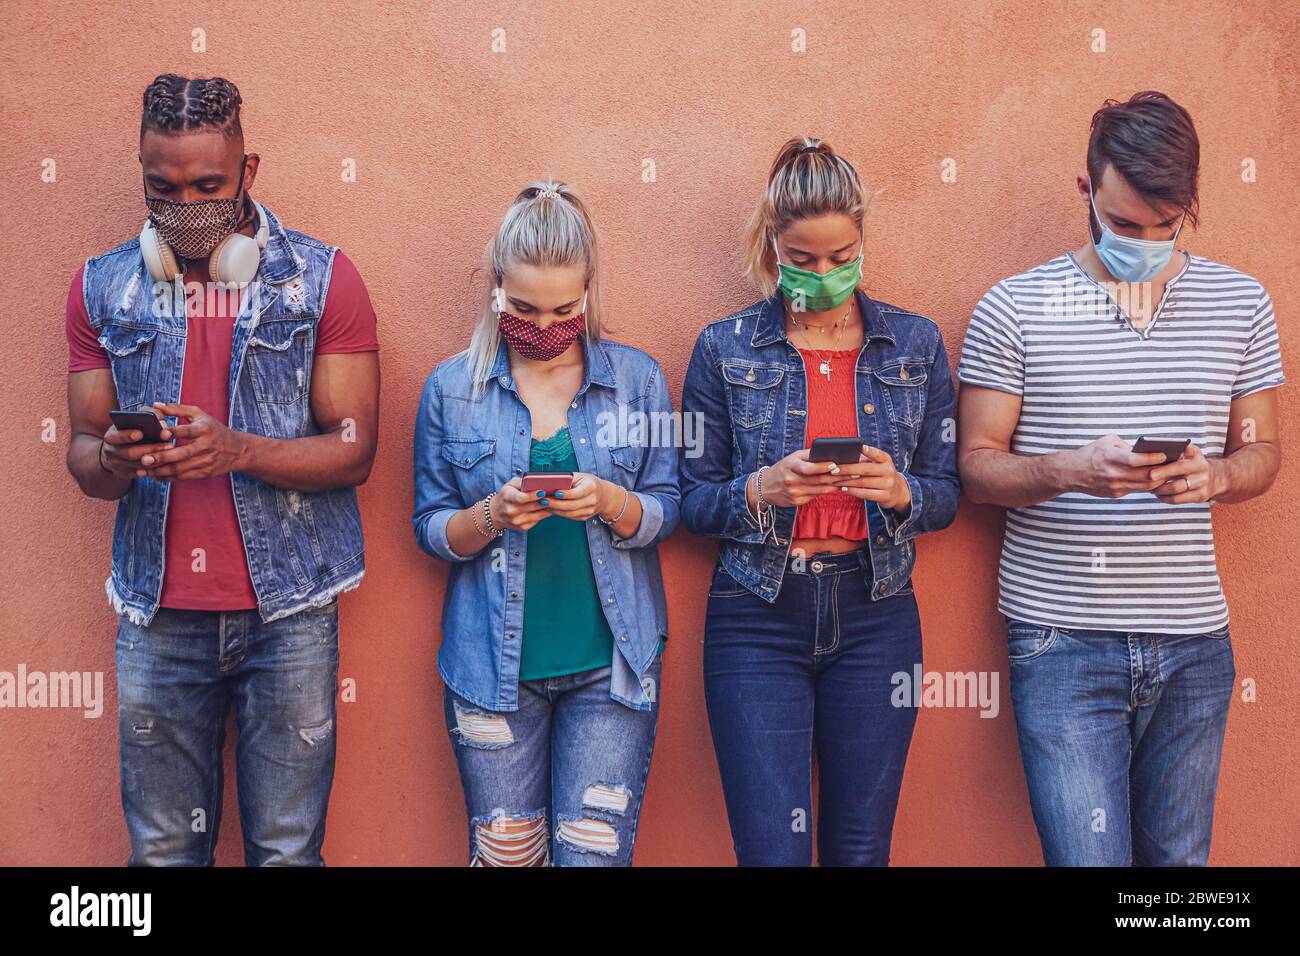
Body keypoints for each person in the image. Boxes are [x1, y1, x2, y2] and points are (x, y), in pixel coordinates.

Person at [957, 91, 1284, 866]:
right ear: (1086, 192)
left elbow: (1264, 452)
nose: (1144, 241)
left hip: (1196, 642)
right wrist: (1070, 469)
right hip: (1061, 638)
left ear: (1192, 205)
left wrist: (1217, 478)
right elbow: (974, 468)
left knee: (1178, 875)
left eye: (1165, 226)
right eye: (1124, 223)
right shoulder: (1014, 306)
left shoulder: (1242, 302)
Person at [64, 74, 380, 865]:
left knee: (285, 852)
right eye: (162, 187)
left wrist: (237, 450)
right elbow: (82, 455)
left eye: (208, 184)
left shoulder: (321, 281)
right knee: (163, 855)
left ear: (250, 171)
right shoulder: (103, 288)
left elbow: (355, 449)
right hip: (157, 617)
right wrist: (110, 455)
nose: (186, 204)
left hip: (291, 615)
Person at [680, 137, 960, 865]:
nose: (824, 274)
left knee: (860, 852)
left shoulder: (916, 345)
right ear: (773, 246)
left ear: (863, 240)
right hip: (755, 616)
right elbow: (689, 500)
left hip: (878, 610)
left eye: (842, 256)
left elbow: (949, 492)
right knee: (771, 851)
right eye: (802, 260)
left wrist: (902, 493)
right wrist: (759, 489)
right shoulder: (724, 348)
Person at [413, 181, 680, 866]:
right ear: (496, 287)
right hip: (490, 672)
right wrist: (491, 515)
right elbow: (431, 527)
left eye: (564, 308)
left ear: (589, 292)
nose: (543, 324)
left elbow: (667, 507)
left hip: (611, 669)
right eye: (524, 307)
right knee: (507, 859)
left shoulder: (637, 381)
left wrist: (609, 502)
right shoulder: (451, 388)